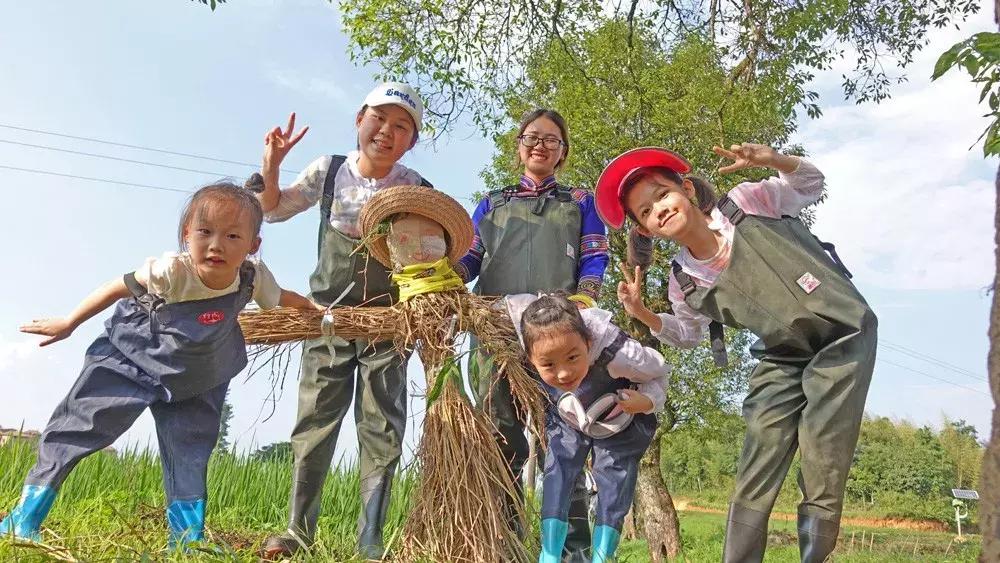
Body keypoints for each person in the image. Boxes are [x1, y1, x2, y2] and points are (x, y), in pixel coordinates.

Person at [602, 143, 877, 563]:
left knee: (823, 449)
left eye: (662, 194)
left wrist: (773, 161)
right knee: (759, 451)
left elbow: (811, 184)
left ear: (687, 190)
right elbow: (688, 335)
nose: (658, 209)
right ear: (647, 230)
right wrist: (643, 314)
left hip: (840, 334)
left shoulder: (748, 202)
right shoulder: (683, 281)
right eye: (644, 212)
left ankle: (814, 555)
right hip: (782, 353)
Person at [0, 183, 315, 549]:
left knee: (191, 451)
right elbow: (115, 287)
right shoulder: (171, 270)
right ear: (187, 235)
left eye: (232, 236)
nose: (216, 245)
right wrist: (69, 322)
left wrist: (309, 308)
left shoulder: (253, 277)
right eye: (205, 232)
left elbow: (281, 298)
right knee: (80, 426)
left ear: (252, 245)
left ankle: (186, 541)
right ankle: (23, 519)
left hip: (197, 375)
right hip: (131, 359)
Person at [255, 83, 432, 561]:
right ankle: (297, 531)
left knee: (382, 428)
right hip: (326, 321)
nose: (387, 132)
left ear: (411, 141)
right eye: (380, 119)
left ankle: (370, 540)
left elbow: (431, 257)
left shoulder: (416, 189)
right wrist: (271, 166)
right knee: (314, 422)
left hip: (386, 327)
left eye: (402, 127)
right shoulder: (328, 171)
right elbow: (271, 210)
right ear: (359, 119)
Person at [457, 108, 610, 560]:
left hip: (555, 333)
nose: (540, 146)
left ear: (562, 153)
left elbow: (594, 255)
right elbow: (470, 260)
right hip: (494, 330)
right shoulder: (492, 203)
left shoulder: (580, 201)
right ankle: (504, 542)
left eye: (551, 140)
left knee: (562, 440)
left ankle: (572, 549)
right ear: (519, 145)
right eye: (532, 137)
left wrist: (583, 299)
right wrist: (440, 272)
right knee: (501, 436)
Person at [505, 293, 668, 563]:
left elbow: (660, 371)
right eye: (547, 364)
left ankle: (603, 556)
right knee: (557, 470)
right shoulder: (527, 330)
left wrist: (647, 401)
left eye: (572, 357)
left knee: (614, 480)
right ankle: (549, 556)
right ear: (530, 358)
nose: (563, 373)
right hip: (569, 414)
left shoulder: (621, 353)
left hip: (619, 417)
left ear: (588, 342)